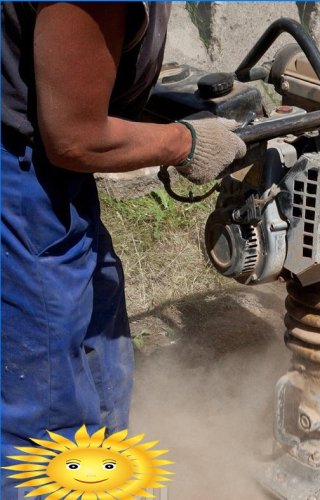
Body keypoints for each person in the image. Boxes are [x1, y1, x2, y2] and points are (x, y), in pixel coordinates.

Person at [1, 2, 246, 496]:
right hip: (20, 174)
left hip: (50, 174)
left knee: (100, 342)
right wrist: (184, 142)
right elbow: (73, 136)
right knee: (44, 396)